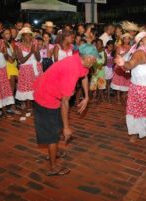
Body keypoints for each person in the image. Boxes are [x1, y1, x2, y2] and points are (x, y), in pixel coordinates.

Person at [33, 43, 98, 176]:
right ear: (88, 58)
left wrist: (86, 97)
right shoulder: (72, 69)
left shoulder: (80, 60)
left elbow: (84, 75)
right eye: (95, 59)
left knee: (56, 126)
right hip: (46, 97)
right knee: (52, 134)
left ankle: (53, 152)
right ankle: (53, 167)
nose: (96, 61)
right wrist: (67, 128)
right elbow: (65, 102)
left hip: (51, 93)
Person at [15, 27, 42, 116]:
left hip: (35, 68)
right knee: (28, 89)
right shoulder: (19, 45)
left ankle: (37, 107)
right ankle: (29, 107)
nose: (29, 37)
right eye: (26, 35)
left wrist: (35, 51)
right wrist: (31, 52)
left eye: (30, 35)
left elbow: (38, 58)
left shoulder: (35, 43)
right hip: (25, 69)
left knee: (36, 88)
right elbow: (21, 60)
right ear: (22, 36)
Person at [111, 33, 132, 104]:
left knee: (126, 82)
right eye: (125, 38)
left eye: (128, 38)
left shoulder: (132, 47)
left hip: (127, 66)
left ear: (130, 39)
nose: (126, 40)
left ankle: (124, 96)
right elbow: (116, 56)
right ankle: (118, 98)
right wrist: (126, 52)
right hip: (119, 66)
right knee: (118, 82)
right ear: (123, 39)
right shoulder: (119, 47)